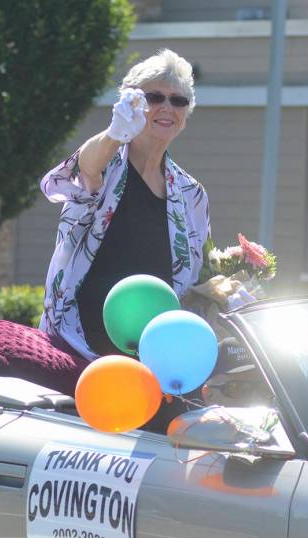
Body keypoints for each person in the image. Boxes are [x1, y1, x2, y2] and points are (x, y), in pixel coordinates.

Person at [39, 49, 210, 361]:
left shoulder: (190, 193)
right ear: (132, 102)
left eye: (179, 100)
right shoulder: (108, 162)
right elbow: (86, 169)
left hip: (156, 354)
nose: (167, 107)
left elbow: (195, 277)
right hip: (82, 345)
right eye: (155, 97)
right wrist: (114, 135)